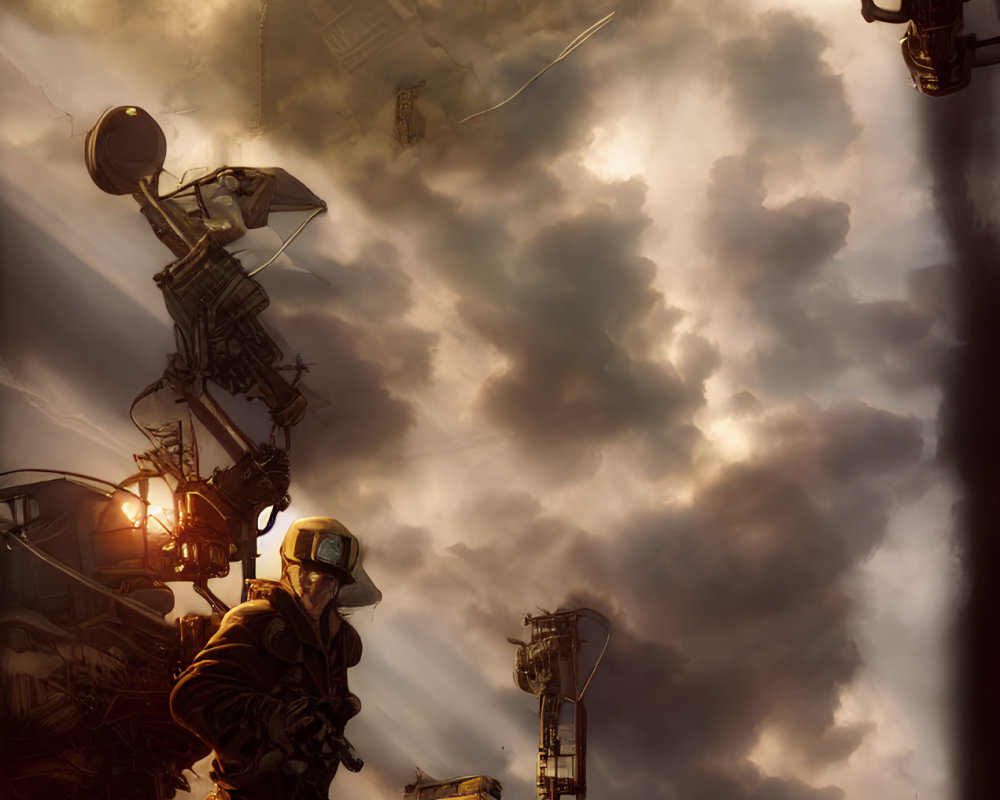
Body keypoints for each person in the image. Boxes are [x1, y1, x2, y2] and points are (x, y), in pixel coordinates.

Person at [170, 518, 380, 800]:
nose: (316, 588)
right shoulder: (258, 622)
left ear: (338, 587)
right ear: (289, 570)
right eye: (307, 574)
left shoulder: (335, 641)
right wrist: (275, 717)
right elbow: (190, 695)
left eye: (328, 580)